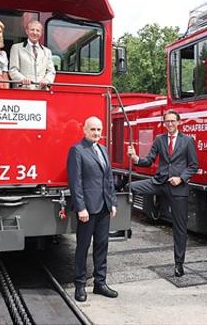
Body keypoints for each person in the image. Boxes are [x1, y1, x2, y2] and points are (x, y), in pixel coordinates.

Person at [128, 110, 199, 277]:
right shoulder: (160, 139)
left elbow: (193, 166)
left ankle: (179, 264)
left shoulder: (187, 141)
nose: (170, 124)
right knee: (130, 186)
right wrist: (136, 159)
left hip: (178, 187)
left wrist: (181, 178)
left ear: (179, 122)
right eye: (167, 121)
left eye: (173, 121)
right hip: (159, 183)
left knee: (180, 228)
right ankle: (123, 227)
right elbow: (149, 160)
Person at [67, 116, 118, 302]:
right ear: (85, 130)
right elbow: (75, 182)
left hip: (104, 207)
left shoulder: (103, 150)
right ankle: (79, 285)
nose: (96, 133)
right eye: (93, 130)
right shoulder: (77, 150)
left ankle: (100, 283)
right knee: (83, 247)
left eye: (99, 129)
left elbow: (109, 179)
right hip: (87, 209)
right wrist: (81, 208)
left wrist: (112, 202)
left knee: (102, 246)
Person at [9, 20, 56, 89]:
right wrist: (22, 79)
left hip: (42, 91)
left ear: (41, 33)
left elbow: (51, 71)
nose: (35, 33)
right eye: (32, 30)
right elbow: (13, 70)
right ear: (27, 31)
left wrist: (47, 80)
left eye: (38, 30)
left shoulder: (47, 51)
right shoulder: (16, 48)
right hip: (23, 90)